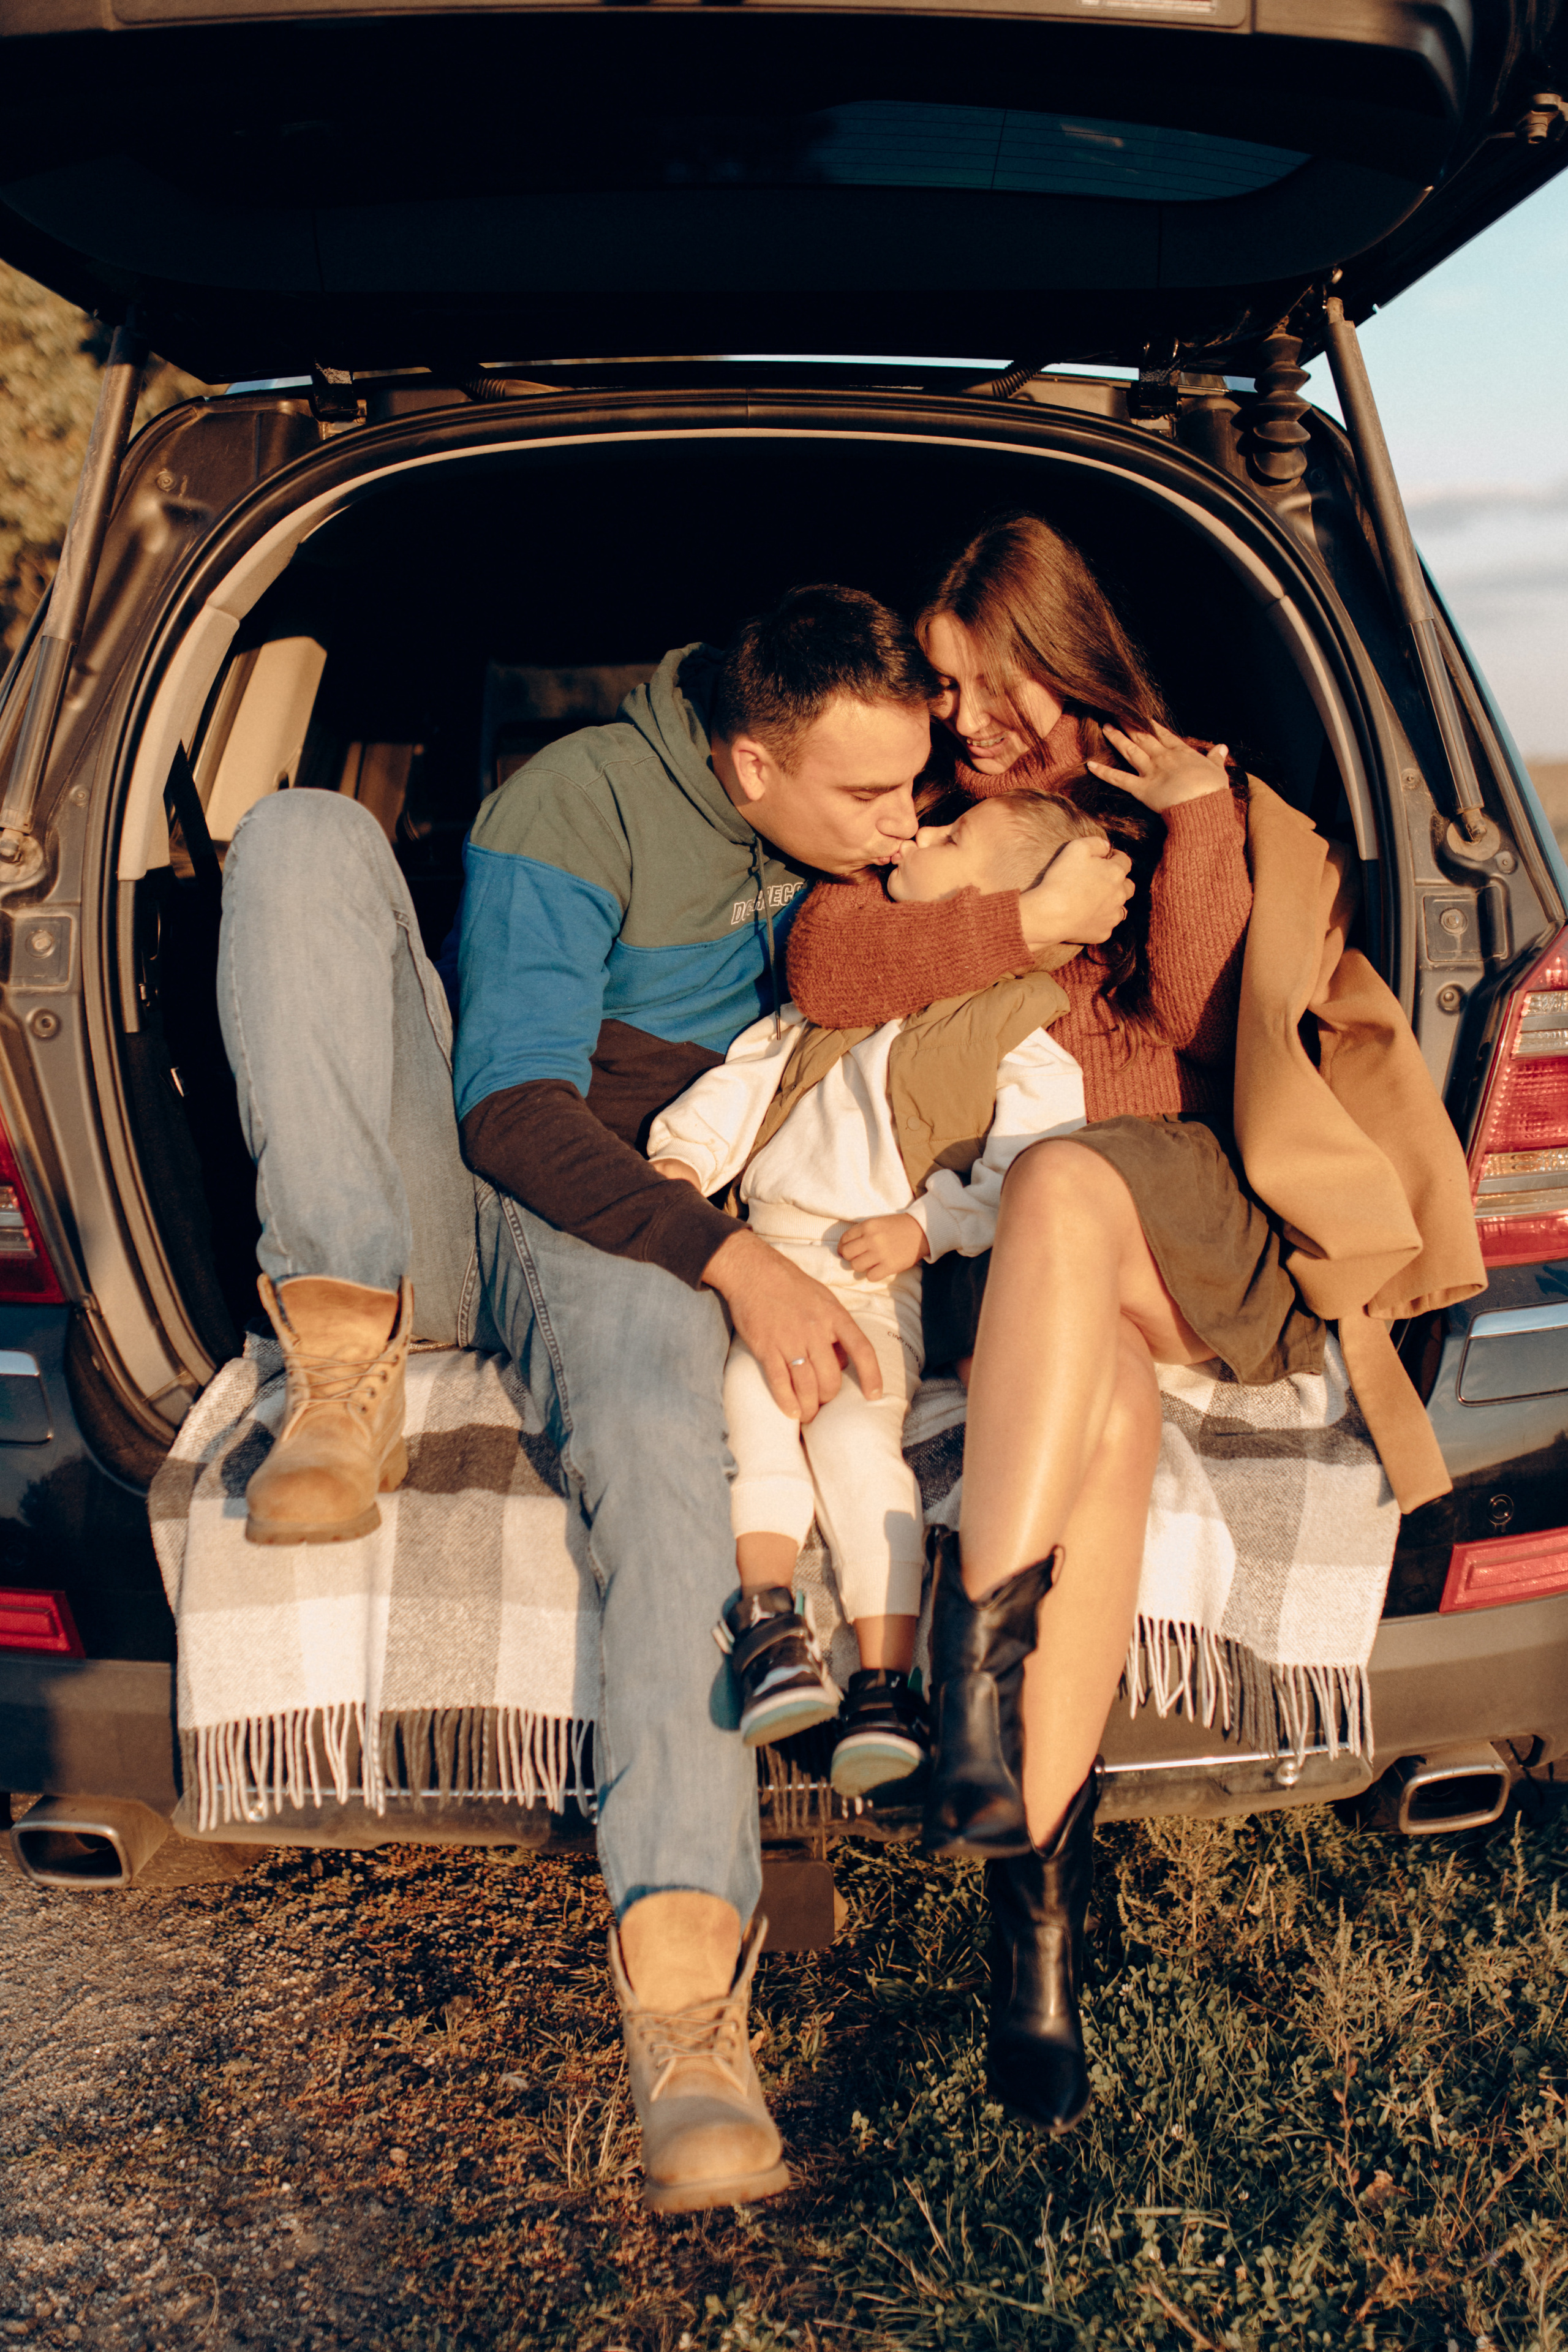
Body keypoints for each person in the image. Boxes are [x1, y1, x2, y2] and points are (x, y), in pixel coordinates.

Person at [216, 579, 1136, 2212]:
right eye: (865, 794)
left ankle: (691, 2025)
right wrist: (738, 1263)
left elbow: (926, 978)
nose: (904, 813)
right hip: (493, 1160)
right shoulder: (572, 800)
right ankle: (347, 1353)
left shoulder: (859, 861)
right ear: (748, 767)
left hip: (639, 1224)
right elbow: (507, 1109)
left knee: (658, 1448)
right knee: (294, 832)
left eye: (912, 784)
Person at [783, 511, 1480, 2141]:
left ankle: (974, 1668)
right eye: (944, 695)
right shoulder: (950, 834)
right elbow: (827, 963)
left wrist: (1198, 827)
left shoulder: (1182, 805)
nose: (959, 725)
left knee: (1070, 1187)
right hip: (1047, 1292)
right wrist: (1011, 928)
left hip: (1193, 1231)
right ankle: (1033, 1916)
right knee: (1088, 1395)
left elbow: (1188, 1029)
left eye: (978, 686)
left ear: (1057, 650)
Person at [646, 792, 1102, 1796]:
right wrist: (682, 1163)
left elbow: (1037, 1167)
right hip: (766, 1251)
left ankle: (884, 1678)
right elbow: (745, 1078)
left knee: (856, 1443)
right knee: (753, 1416)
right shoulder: (837, 995)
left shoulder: (1019, 1028)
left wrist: (931, 1225)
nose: (921, 834)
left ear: (997, 899)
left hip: (872, 1275)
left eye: (952, 839)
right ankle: (769, 1622)